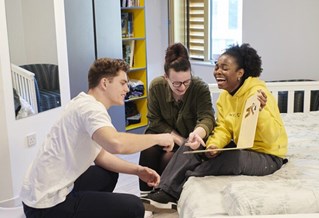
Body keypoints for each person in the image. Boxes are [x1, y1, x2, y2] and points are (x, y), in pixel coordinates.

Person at [20, 58, 175, 218]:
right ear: (105, 83)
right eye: (122, 83)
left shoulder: (82, 102)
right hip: (46, 207)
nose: (127, 89)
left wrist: (138, 171)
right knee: (134, 207)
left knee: (107, 174)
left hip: (36, 194)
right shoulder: (91, 110)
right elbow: (116, 144)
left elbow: (100, 156)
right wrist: (159, 138)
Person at [141, 43, 288, 212]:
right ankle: (163, 191)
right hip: (242, 146)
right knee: (193, 144)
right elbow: (223, 128)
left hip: (267, 154)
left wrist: (260, 112)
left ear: (240, 73)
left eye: (225, 68)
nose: (218, 71)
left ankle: (179, 186)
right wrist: (213, 145)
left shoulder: (258, 94)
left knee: (230, 159)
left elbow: (272, 136)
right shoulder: (225, 97)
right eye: (217, 66)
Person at [138, 43, 215, 196]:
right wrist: (175, 139)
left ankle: (163, 195)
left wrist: (195, 135)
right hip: (164, 136)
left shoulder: (199, 88)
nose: (182, 87)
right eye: (176, 83)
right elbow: (154, 120)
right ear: (166, 77)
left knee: (169, 158)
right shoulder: (156, 86)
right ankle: (146, 197)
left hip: (190, 141)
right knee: (148, 150)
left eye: (187, 81)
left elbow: (207, 118)